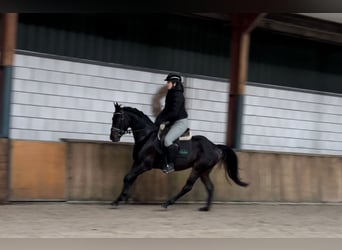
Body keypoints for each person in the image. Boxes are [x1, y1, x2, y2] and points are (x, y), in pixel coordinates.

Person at [155, 73, 188, 174]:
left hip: (180, 122)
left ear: (174, 83)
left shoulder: (178, 95)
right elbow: (166, 109)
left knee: (167, 140)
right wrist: (158, 119)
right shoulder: (171, 93)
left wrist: (163, 120)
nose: (167, 84)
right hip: (172, 120)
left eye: (168, 82)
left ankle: (171, 164)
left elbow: (174, 112)